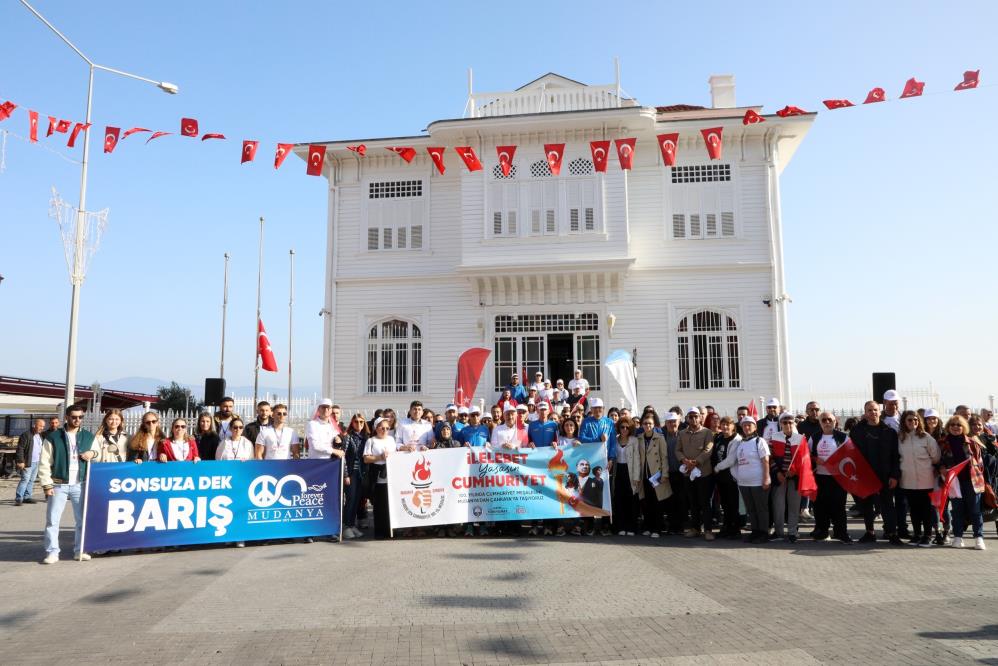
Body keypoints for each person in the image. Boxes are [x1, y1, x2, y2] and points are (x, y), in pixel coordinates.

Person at [38, 405, 95, 564]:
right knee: (52, 520)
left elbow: (98, 453)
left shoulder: (89, 437)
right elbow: (44, 462)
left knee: (81, 520)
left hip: (80, 483)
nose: (77, 420)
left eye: (80, 417)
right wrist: (47, 484)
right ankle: (52, 552)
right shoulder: (54, 437)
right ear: (67, 418)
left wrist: (92, 453)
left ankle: (80, 550)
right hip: (58, 484)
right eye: (74, 417)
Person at [850, 400, 901, 545]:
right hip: (865, 475)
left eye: (875, 410)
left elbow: (895, 456)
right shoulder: (857, 431)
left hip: (885, 475)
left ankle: (892, 532)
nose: (873, 413)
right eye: (869, 410)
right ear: (865, 413)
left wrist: (894, 475)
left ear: (880, 411)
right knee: (866, 505)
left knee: (887, 505)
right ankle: (869, 532)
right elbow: (852, 453)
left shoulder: (889, 431)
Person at [716, 417, 771, 544]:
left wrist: (766, 478)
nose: (747, 427)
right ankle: (755, 531)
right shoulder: (741, 443)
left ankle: (763, 533)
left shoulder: (760, 441)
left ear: (755, 427)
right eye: (744, 425)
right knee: (751, 509)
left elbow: (765, 460)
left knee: (761, 508)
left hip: (758, 482)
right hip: (744, 483)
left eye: (749, 425)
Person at [940, 415, 986, 550]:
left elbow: (980, 463)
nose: (956, 427)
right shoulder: (943, 442)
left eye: (959, 425)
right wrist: (942, 468)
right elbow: (939, 460)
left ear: (964, 427)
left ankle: (979, 538)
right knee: (957, 510)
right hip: (954, 482)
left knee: (975, 511)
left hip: (972, 481)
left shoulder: (972, 442)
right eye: (953, 424)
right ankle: (958, 537)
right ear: (948, 427)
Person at [897, 410, 941, 547]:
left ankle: (927, 535)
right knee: (914, 509)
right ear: (904, 422)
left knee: (927, 509)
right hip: (908, 479)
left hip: (925, 479)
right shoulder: (900, 438)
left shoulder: (926, 438)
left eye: (915, 419)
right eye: (910, 420)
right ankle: (917, 534)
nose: (913, 422)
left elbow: (936, 457)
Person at [808, 412, 852, 543]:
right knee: (820, 506)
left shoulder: (843, 437)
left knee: (839, 506)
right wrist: (816, 459)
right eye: (824, 420)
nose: (827, 422)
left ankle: (841, 532)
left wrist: (838, 462)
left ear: (835, 421)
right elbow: (808, 455)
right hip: (820, 477)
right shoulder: (814, 438)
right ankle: (822, 532)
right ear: (820, 422)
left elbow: (851, 455)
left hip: (838, 477)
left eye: (830, 420)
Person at [678, 407, 715, 540]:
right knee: (693, 502)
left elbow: (708, 450)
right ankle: (695, 528)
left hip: (703, 473)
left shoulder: (707, 432)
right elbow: (678, 450)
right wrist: (684, 460)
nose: (693, 419)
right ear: (687, 418)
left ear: (700, 418)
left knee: (705, 502)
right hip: (688, 473)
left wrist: (696, 462)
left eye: (696, 416)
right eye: (691, 416)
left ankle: (708, 530)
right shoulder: (681, 433)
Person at [769, 412, 806, 543]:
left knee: (794, 506)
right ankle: (779, 532)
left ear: (794, 423)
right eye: (784, 422)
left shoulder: (801, 438)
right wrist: (778, 473)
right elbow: (770, 458)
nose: (788, 424)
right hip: (779, 477)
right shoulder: (774, 438)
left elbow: (804, 459)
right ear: (780, 424)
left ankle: (792, 532)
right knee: (778, 506)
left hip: (795, 478)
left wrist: (795, 470)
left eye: (790, 422)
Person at [632, 415, 671, 538]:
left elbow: (664, 457)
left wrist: (665, 474)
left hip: (657, 475)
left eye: (650, 423)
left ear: (654, 425)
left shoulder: (660, 438)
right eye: (645, 423)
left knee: (657, 503)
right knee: (646, 503)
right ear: (642, 425)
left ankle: (657, 528)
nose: (647, 426)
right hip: (644, 476)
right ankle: (648, 527)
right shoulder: (639, 439)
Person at [363, 417, 394, 539]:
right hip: (377, 475)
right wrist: (380, 457)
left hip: (390, 475)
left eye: (387, 428)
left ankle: (389, 530)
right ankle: (380, 532)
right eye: (382, 427)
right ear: (376, 428)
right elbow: (366, 458)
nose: (385, 430)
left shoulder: (391, 439)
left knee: (389, 505)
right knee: (379, 505)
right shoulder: (371, 441)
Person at [711, 416, 742, 539]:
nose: (725, 427)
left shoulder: (737, 440)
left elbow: (731, 460)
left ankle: (735, 529)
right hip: (720, 478)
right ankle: (726, 527)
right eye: (723, 424)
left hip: (731, 477)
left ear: (733, 426)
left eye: (727, 425)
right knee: (725, 504)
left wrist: (717, 467)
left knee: (733, 504)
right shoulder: (718, 437)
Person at [341, 413, 369, 539]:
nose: (359, 424)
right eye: (356, 422)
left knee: (357, 501)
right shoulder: (348, 437)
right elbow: (343, 456)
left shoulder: (365, 438)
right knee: (350, 500)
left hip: (360, 475)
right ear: (352, 423)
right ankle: (346, 526)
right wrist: (345, 474)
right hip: (351, 474)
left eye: (361, 422)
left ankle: (352, 525)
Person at [612, 417, 640, 536]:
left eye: (627, 427)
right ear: (619, 428)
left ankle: (631, 527)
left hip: (630, 472)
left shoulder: (634, 440)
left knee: (631, 501)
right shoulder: (615, 439)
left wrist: (636, 477)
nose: (624, 429)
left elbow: (637, 459)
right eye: (622, 427)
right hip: (618, 471)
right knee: (619, 500)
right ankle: (621, 526)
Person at [14, 418, 46, 505]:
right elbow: (20, 449)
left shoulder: (40, 436)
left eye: (43, 426)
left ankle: (27, 497)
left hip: (37, 462)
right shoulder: (26, 435)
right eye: (40, 426)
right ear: (34, 425)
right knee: (25, 479)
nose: (42, 428)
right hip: (28, 462)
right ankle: (19, 498)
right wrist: (20, 461)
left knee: (32, 480)